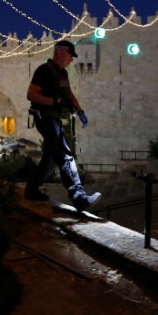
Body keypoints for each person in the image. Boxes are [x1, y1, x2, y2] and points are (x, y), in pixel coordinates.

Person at [24, 40, 101, 211]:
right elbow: (31, 94)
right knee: (65, 155)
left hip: (55, 120)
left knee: (51, 159)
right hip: (44, 118)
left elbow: (69, 94)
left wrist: (79, 111)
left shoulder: (63, 74)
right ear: (60, 52)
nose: (72, 60)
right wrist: (53, 102)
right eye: (70, 56)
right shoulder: (44, 70)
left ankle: (31, 190)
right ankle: (79, 197)